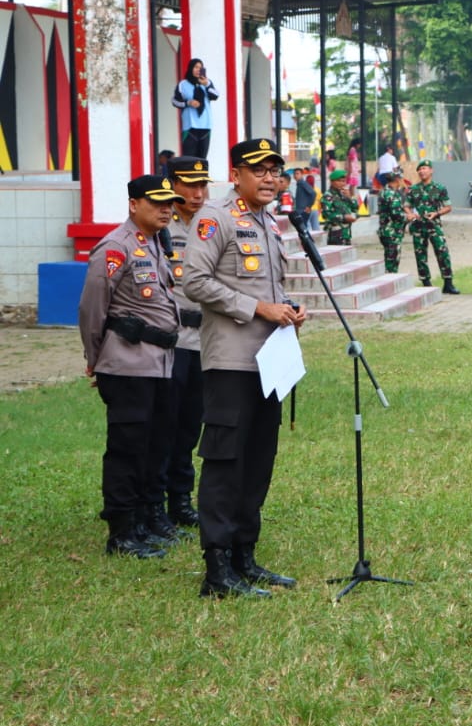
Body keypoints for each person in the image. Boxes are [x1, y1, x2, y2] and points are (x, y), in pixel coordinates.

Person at [183, 137, 305, 599]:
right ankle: (216, 571)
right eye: (260, 170)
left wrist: (287, 310)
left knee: (258, 461)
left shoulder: (267, 223)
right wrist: (258, 308)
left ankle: (244, 557)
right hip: (231, 361)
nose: (271, 177)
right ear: (236, 175)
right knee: (225, 462)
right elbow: (194, 280)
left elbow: (268, 291)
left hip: (269, 361)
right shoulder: (216, 217)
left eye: (276, 169)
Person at [78, 174, 183, 559]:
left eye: (169, 203)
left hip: (160, 363)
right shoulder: (116, 247)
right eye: (157, 203)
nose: (166, 209)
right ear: (133, 204)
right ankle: (121, 532)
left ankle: (141, 521)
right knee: (127, 448)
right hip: (126, 364)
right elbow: (92, 307)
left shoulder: (155, 243)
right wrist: (95, 358)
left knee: (154, 446)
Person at [159, 156, 214, 533]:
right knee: (165, 424)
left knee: (191, 426)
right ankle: (154, 502)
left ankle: (180, 500)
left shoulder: (213, 224)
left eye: (202, 186)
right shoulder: (161, 226)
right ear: (172, 185)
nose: (197, 194)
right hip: (172, 342)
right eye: (189, 185)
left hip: (206, 341)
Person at [406, 160, 459, 293]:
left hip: (434, 226)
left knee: (442, 252)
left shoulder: (439, 188)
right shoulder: (413, 189)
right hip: (418, 227)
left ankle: (448, 283)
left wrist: (436, 213)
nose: (422, 171)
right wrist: (410, 214)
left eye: (424, 168)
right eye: (419, 169)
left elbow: (448, 207)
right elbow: (406, 205)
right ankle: (426, 283)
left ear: (431, 170)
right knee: (420, 255)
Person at [172, 59, 219, 159]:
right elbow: (175, 101)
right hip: (190, 127)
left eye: (200, 68)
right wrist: (188, 103)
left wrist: (206, 84)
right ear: (190, 68)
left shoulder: (206, 83)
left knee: (202, 159)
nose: (198, 70)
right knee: (189, 159)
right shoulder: (183, 84)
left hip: (205, 126)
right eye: (196, 67)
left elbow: (216, 96)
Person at [377, 169, 412, 273]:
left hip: (387, 231)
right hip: (392, 232)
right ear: (397, 179)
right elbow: (396, 214)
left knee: (389, 259)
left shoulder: (385, 191)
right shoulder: (391, 194)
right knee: (392, 264)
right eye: (401, 179)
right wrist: (409, 217)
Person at [321, 169, 359, 246]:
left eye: (343, 181)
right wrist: (343, 218)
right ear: (332, 182)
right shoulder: (328, 196)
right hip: (335, 233)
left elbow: (355, 208)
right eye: (339, 181)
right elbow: (326, 214)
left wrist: (350, 198)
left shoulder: (343, 194)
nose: (342, 183)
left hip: (346, 233)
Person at [291, 167, 318, 232]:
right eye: (294, 174)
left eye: (297, 174)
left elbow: (313, 193)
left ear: (302, 174)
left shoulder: (303, 183)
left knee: (304, 229)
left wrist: (309, 206)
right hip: (300, 210)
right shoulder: (299, 184)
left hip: (303, 211)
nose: (295, 175)